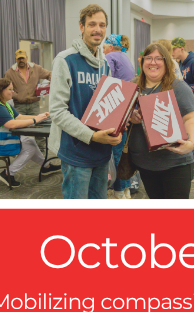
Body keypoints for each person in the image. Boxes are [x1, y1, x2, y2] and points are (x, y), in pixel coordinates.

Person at [49, 3, 121, 199]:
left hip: (102, 150)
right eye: (92, 24)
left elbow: (108, 105)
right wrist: (91, 135)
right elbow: (57, 111)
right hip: (76, 152)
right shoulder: (65, 60)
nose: (98, 29)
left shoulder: (105, 63)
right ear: (81, 27)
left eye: (102, 25)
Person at [127, 42, 194, 199]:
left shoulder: (178, 87)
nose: (153, 62)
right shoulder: (133, 86)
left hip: (175, 162)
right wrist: (130, 117)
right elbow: (123, 118)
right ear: (142, 62)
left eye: (159, 58)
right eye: (149, 58)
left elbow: (190, 118)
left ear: (166, 62)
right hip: (145, 162)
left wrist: (192, 143)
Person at [0, 78, 59, 187]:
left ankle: (46, 166)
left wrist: (40, 116)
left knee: (29, 140)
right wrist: (35, 120)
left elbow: (19, 117)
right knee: (30, 148)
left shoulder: (3, 103)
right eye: (10, 89)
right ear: (0, 90)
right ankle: (7, 173)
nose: (13, 92)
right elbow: (11, 124)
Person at [102, 34, 135, 199]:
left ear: (110, 46)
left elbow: (106, 83)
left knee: (116, 150)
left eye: (104, 45)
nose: (102, 49)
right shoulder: (125, 57)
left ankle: (118, 191)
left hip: (117, 109)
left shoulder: (109, 57)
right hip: (128, 109)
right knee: (123, 149)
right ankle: (126, 187)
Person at [4, 49, 52, 155]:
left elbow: (49, 74)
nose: (21, 60)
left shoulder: (36, 68)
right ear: (16, 59)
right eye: (19, 58)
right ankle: (19, 150)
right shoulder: (10, 72)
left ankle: (41, 150)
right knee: (19, 128)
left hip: (34, 104)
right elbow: (6, 87)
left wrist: (50, 83)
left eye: (23, 58)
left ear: (26, 58)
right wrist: (16, 95)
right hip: (19, 105)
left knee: (39, 126)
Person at [172, 38, 194, 183]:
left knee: (189, 136)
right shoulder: (181, 63)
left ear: (182, 48)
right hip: (185, 100)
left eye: (174, 49)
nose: (172, 52)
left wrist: (182, 88)